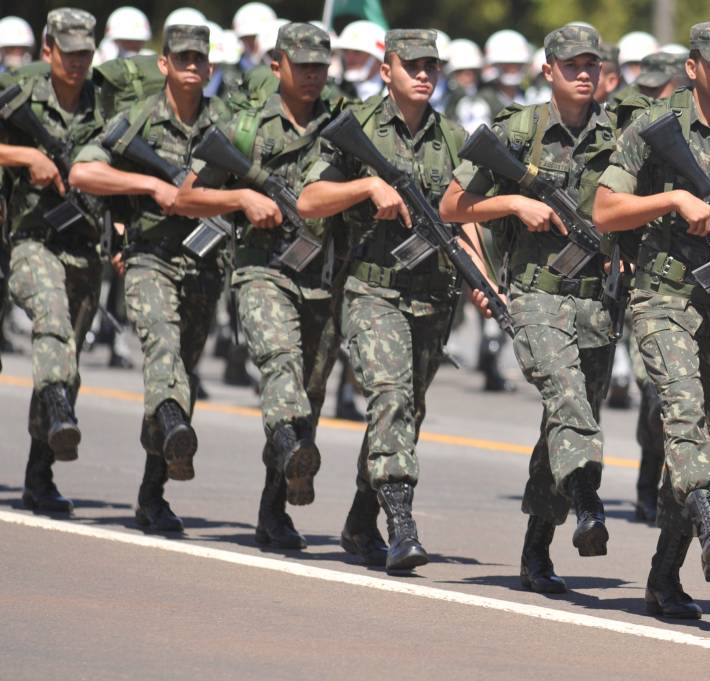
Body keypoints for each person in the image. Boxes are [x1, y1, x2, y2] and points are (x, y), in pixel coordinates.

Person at [440, 24, 616, 593]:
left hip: (596, 303)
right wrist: (514, 200)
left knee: (563, 422)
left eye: (592, 64)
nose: (583, 73)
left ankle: (536, 547)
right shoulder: (519, 130)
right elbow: (451, 205)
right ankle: (588, 500)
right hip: (537, 296)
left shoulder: (617, 133)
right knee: (568, 397)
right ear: (548, 71)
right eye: (572, 65)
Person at [591, 21, 710, 619]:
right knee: (683, 411)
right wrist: (670, 200)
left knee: (700, 440)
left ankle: (665, 575)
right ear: (693, 68)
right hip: (662, 298)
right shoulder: (653, 126)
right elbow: (606, 210)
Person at [298, 29, 463, 574]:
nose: (423, 73)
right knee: (389, 395)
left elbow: (467, 223)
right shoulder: (356, 130)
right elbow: (309, 199)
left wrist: (486, 284)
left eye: (431, 65)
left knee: (405, 412)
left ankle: (359, 519)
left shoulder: (455, 139)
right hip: (371, 290)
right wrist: (365, 189)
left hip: (433, 297)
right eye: (411, 64)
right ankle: (402, 523)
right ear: (385, 69)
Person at [176, 22, 339, 551]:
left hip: (323, 277)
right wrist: (242, 199)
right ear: (276, 65)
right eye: (303, 65)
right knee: (280, 363)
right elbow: (188, 197)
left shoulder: (341, 123)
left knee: (308, 394)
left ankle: (273, 509)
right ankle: (290, 446)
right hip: (261, 269)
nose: (313, 75)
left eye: (321, 66)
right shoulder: (246, 127)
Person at [70, 23, 230, 532]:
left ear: (209, 67)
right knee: (161, 350)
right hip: (148, 258)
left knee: (181, 374)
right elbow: (84, 172)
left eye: (199, 59)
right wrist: (152, 185)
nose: (191, 66)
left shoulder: (226, 124)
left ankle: (151, 490)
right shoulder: (137, 119)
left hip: (204, 264)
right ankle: (173, 434)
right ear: (163, 64)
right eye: (181, 57)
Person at [0, 8, 103, 514]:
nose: (78, 61)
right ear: (48, 51)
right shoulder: (21, 95)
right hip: (32, 240)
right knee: (52, 322)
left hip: (86, 246)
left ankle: (38, 475)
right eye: (69, 52)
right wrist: (28, 158)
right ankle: (58, 407)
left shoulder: (103, 101)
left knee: (67, 360)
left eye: (86, 51)